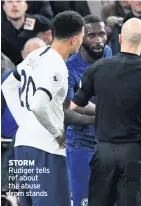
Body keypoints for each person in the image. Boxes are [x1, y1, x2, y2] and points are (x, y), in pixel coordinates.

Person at [70, 17, 141, 206]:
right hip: (135, 155)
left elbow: (75, 105)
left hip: (103, 152)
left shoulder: (97, 69)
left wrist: (104, 110)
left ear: (119, 39)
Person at [2, 11, 84, 206]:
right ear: (74, 40)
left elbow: (7, 86)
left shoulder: (37, 54)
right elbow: (39, 104)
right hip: (46, 149)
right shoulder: (57, 67)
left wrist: (24, 121)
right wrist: (56, 133)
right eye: (81, 37)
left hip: (22, 145)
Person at [64, 15, 112, 206]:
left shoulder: (108, 53)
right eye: (91, 35)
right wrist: (100, 117)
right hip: (80, 145)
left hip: (110, 144)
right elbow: (66, 112)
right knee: (85, 202)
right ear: (80, 37)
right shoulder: (69, 69)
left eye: (101, 34)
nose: (98, 40)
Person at [1, 37, 46, 206]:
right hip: (7, 137)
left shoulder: (51, 80)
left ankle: (7, 193)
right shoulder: (8, 78)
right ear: (22, 55)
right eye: (30, 54)